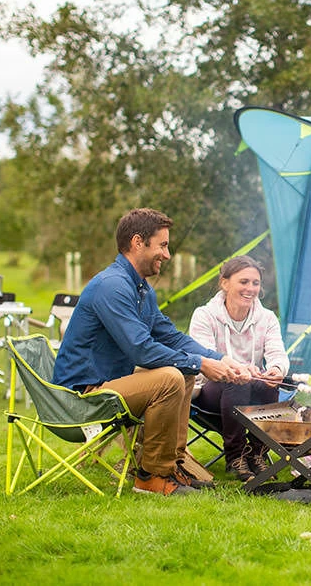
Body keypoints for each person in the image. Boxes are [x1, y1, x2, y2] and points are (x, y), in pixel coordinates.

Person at [52, 208, 252, 496]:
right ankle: (150, 477)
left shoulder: (141, 289)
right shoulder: (112, 287)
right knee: (169, 377)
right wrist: (201, 364)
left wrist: (220, 359)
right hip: (82, 397)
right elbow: (142, 350)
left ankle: (173, 464)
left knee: (182, 374)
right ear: (137, 242)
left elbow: (170, 336)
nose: (167, 255)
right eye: (163, 245)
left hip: (108, 385)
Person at [188, 256, 289, 481]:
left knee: (268, 385)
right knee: (236, 382)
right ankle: (235, 456)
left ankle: (257, 454)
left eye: (255, 283)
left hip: (252, 388)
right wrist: (241, 370)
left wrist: (275, 368)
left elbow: (277, 353)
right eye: (243, 282)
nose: (250, 288)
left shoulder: (267, 318)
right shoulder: (204, 315)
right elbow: (206, 357)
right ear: (225, 283)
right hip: (210, 392)